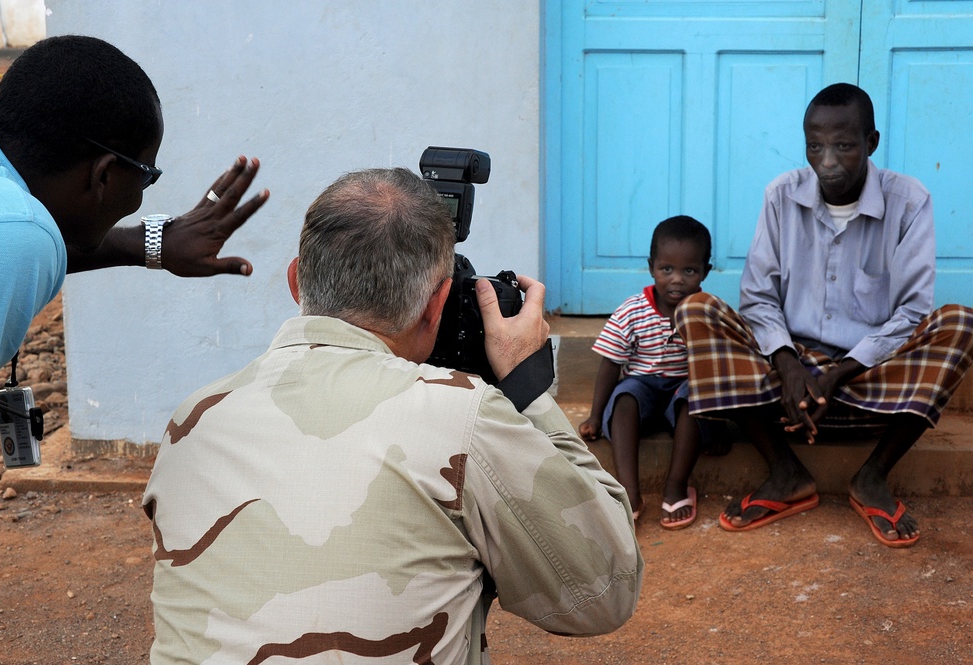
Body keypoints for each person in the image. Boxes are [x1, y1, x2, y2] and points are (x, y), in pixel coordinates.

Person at [142, 167, 642, 664]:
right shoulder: (460, 415)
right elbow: (606, 593)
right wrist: (527, 388)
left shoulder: (195, 417)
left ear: (296, 281)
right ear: (437, 305)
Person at [675, 83, 973, 547]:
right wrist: (788, 363)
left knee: (959, 323)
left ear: (871, 143)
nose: (828, 161)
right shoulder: (781, 195)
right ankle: (784, 471)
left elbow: (913, 312)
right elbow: (757, 296)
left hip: (865, 386)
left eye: (844, 146)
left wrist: (838, 373)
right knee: (697, 309)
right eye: (815, 146)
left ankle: (872, 476)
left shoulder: (910, 202)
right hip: (785, 389)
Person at [0, 35, 268, 433]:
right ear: (104, 174)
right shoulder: (17, 235)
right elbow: (11, 237)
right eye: (148, 174)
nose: (143, 193)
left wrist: (149, 244)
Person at [579, 215, 724, 530]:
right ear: (651, 267)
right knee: (625, 396)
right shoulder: (633, 310)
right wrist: (594, 415)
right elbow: (610, 364)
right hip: (643, 389)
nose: (676, 280)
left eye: (689, 271)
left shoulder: (707, 311)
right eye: (666, 269)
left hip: (684, 391)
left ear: (705, 272)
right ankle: (629, 493)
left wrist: (719, 423)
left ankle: (675, 486)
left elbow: (720, 368)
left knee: (693, 397)